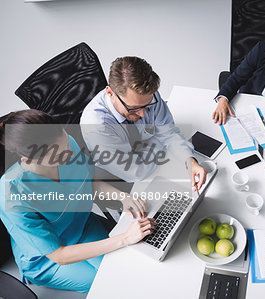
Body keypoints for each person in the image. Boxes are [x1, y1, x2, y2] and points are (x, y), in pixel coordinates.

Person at [0, 110, 154, 293]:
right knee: (113, 284)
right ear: (28, 158)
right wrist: (125, 238)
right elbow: (58, 255)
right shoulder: (13, 193)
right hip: (47, 259)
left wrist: (121, 197)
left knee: (131, 268)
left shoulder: (67, 144)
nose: (67, 153)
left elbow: (86, 180)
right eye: (57, 155)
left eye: (65, 143)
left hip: (82, 226)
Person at [80, 56, 206, 191]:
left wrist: (189, 160)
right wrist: (160, 142)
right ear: (110, 93)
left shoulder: (146, 95)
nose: (143, 114)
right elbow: (136, 171)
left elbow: (169, 133)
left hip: (152, 162)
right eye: (133, 108)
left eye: (147, 105)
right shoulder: (96, 127)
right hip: (122, 179)